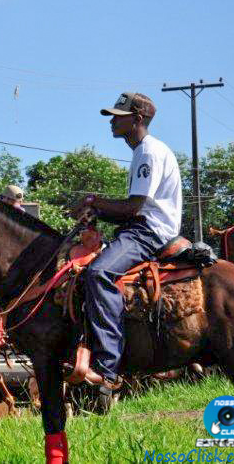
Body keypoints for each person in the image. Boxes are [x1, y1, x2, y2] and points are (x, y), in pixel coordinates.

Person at [71, 92, 181, 390]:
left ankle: (107, 368)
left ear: (138, 119)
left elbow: (133, 208)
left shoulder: (148, 152)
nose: (112, 121)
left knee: (99, 273)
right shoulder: (142, 151)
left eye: (118, 116)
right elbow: (130, 210)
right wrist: (96, 211)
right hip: (140, 227)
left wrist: (94, 202)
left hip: (149, 232)